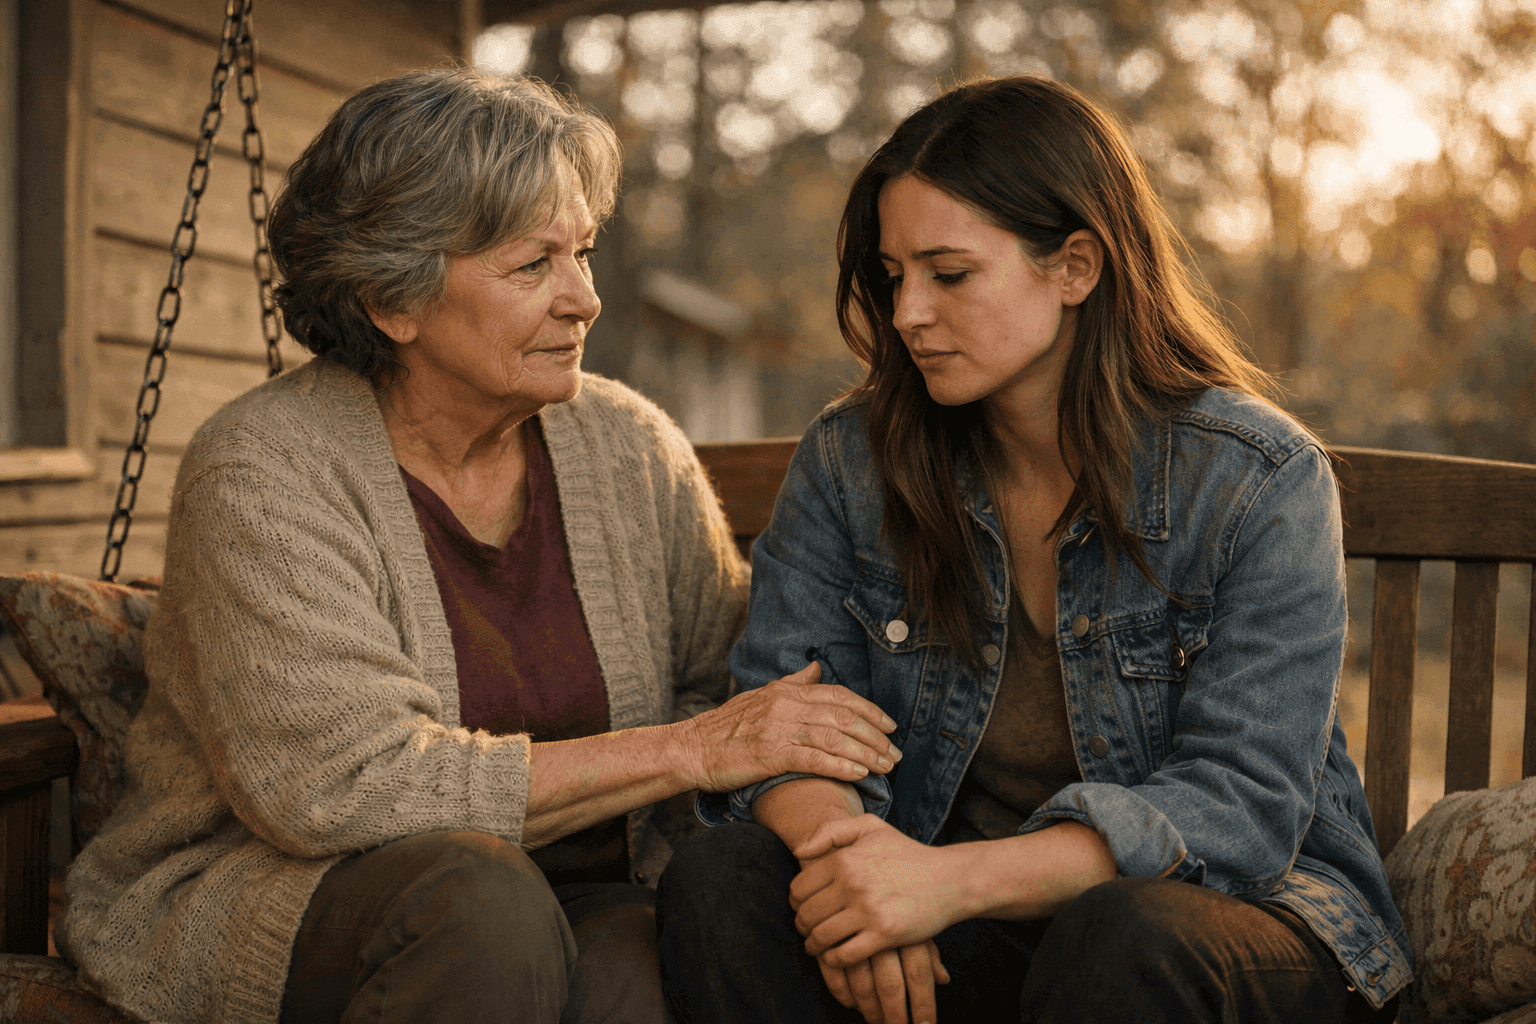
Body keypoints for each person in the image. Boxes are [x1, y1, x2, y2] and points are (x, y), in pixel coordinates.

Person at [57, 69, 901, 1024]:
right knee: (482, 906)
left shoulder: (627, 447)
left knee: (645, 972)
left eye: (583, 252)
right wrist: (688, 749)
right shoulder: (263, 470)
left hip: (588, 891)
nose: (584, 298)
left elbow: (739, 679)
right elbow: (341, 789)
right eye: (532, 265)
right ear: (392, 299)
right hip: (298, 896)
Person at [657, 75, 1412, 1024]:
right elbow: (786, 714)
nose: (907, 315)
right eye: (895, 277)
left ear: (1076, 268)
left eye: (950, 273)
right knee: (729, 877)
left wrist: (949, 884)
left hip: (1240, 920)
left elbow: (1242, 805)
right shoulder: (854, 462)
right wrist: (858, 877)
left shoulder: (1257, 479)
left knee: (1121, 932)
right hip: (960, 911)